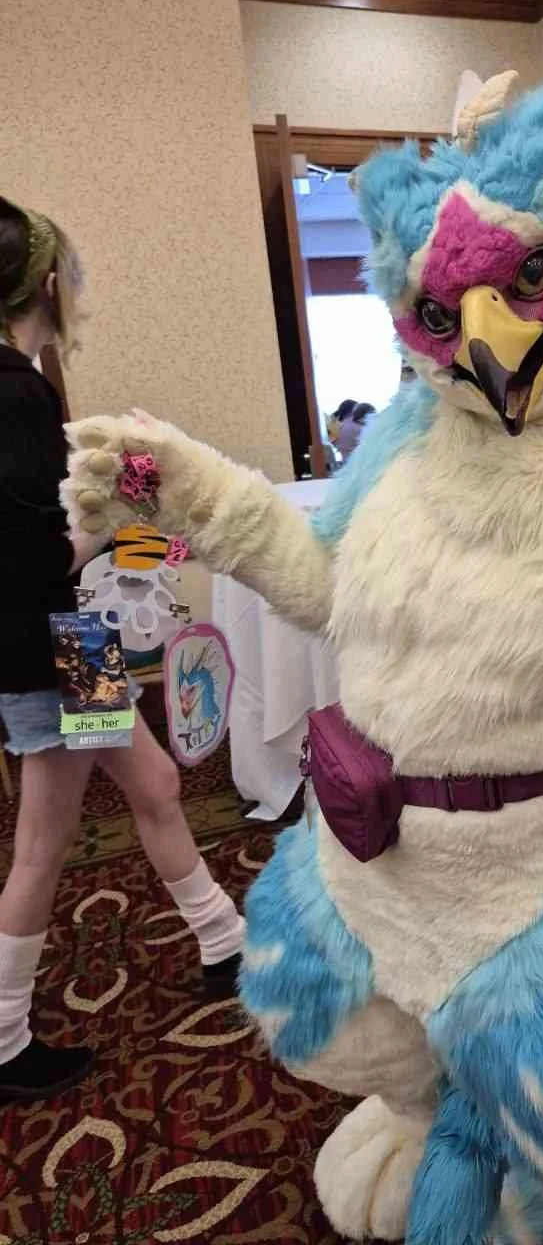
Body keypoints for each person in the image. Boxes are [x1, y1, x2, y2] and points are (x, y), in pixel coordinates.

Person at [0, 196, 245, 1103]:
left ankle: (225, 943)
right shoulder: (17, 390)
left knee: (153, 786)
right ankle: (3, 1038)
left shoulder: (17, 386)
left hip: (56, 643)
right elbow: (35, 555)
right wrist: (114, 524)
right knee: (43, 845)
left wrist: (112, 493)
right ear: (52, 284)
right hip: (52, 646)